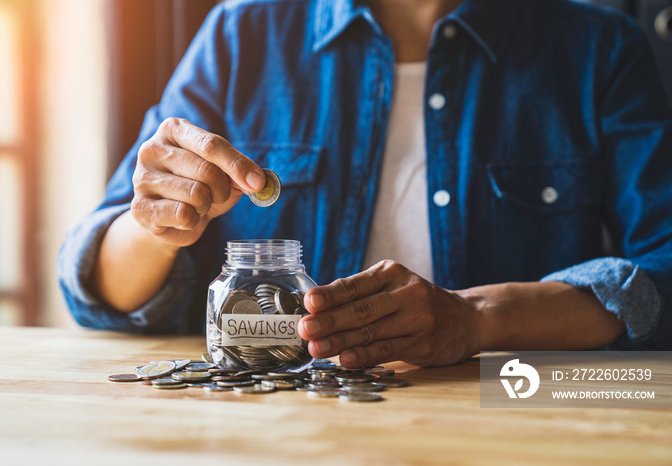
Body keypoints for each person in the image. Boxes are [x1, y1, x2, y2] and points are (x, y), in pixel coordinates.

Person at [59, 0, 672, 368]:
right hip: (280, 440)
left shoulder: (600, 48)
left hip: (516, 414)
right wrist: (154, 228)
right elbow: (97, 289)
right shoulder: (239, 36)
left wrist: (478, 319)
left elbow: (663, 274)